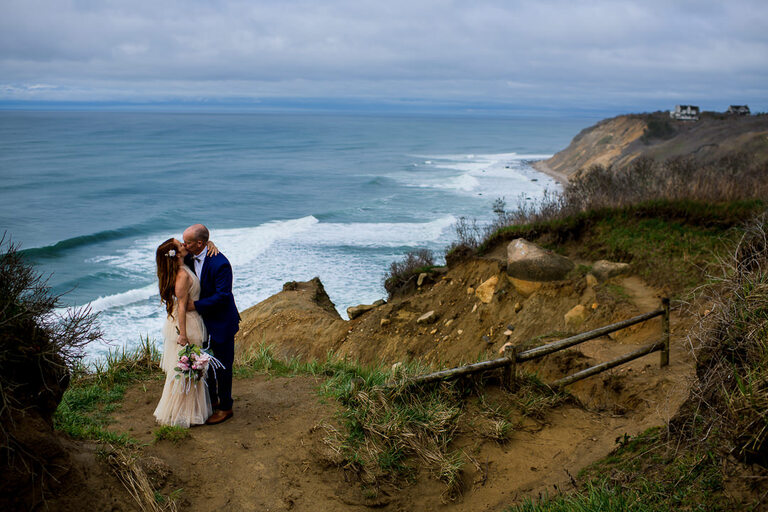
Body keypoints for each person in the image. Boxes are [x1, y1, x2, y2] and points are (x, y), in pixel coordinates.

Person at [182, 224, 240, 425]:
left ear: (199, 243)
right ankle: (212, 400)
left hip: (222, 322)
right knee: (204, 363)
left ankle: (226, 408)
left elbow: (223, 296)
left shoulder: (220, 263)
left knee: (223, 367)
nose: (184, 245)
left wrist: (195, 306)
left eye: (187, 242)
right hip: (202, 322)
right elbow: (170, 252)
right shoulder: (188, 256)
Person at [152, 238, 213, 427]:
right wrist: (183, 334)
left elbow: (199, 244)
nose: (184, 245)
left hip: (187, 321)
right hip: (186, 324)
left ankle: (189, 411)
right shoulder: (182, 276)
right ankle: (184, 414)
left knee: (188, 368)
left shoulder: (183, 265)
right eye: (180, 245)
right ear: (176, 254)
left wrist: (210, 244)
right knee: (187, 368)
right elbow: (181, 307)